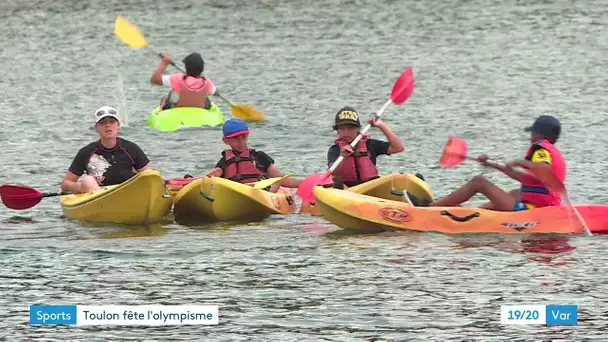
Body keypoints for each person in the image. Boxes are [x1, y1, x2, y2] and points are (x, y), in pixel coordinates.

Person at [429, 115, 565, 211]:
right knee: (515, 192)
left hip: (535, 210)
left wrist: (519, 162)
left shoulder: (541, 149)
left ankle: (431, 208)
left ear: (540, 134)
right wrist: (491, 164)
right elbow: (527, 178)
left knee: (479, 182)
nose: (531, 137)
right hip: (547, 205)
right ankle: (476, 213)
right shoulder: (552, 152)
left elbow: (543, 170)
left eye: (533, 133)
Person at [61, 106, 152, 193]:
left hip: (129, 193)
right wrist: (81, 187)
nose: (107, 125)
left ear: (118, 125)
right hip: (99, 196)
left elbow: (149, 175)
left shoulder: (131, 148)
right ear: (96, 127)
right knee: (87, 180)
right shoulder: (86, 152)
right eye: (102, 123)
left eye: (112, 122)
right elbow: (66, 183)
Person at [205, 118, 302, 190]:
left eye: (243, 137)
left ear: (247, 135)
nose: (241, 142)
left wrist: (306, 183)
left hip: (260, 193)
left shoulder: (260, 157)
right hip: (237, 193)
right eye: (235, 138)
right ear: (226, 141)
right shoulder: (225, 161)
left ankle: (268, 191)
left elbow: (283, 181)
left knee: (275, 184)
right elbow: (211, 177)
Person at [326, 106, 405, 188]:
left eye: (350, 128)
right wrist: (342, 156)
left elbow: (398, 148)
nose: (346, 132)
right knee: (337, 183)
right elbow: (333, 172)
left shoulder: (371, 144)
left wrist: (381, 125)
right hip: (348, 191)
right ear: (337, 130)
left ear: (358, 129)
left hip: (370, 187)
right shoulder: (334, 150)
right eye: (342, 129)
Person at [150, 52, 218, 110]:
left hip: (177, 108)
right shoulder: (207, 82)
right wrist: (215, 92)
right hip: (200, 109)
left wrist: (164, 63)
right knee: (207, 99)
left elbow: (155, 79)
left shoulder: (178, 78)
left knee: (170, 95)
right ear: (202, 69)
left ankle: (163, 104)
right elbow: (215, 92)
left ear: (186, 68)